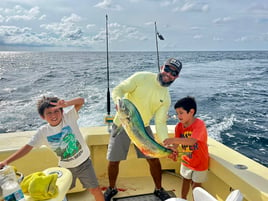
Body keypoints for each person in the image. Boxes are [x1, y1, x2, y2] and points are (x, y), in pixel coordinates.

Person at [104, 58, 182, 201]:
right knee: (114, 160)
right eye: (168, 69)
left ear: (177, 77)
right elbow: (119, 89)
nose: (169, 74)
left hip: (142, 128)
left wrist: (166, 142)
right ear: (161, 67)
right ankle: (111, 188)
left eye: (174, 73)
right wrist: (118, 101)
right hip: (122, 123)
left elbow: (160, 123)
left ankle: (158, 189)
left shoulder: (166, 98)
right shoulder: (141, 77)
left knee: (153, 159)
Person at [0, 96, 104, 201]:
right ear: (42, 116)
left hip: (84, 164)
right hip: (64, 168)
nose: (53, 115)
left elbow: (81, 101)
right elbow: (27, 148)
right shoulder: (43, 132)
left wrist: (66, 103)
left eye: (56, 111)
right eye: (49, 113)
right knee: (60, 193)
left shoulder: (69, 117)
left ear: (62, 111)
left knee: (95, 190)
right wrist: (6, 162)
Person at [163, 96, 209, 200]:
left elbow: (192, 141)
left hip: (200, 162)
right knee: (185, 180)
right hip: (186, 161)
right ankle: (183, 198)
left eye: (181, 113)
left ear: (191, 112)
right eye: (177, 113)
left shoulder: (199, 125)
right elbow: (176, 145)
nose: (178, 116)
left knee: (196, 187)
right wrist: (170, 149)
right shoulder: (179, 127)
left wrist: (173, 140)